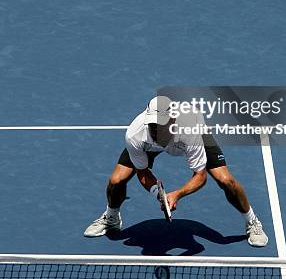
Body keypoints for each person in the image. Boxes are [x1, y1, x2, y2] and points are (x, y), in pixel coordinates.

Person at [84, 96, 268, 247]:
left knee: (226, 180)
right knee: (116, 180)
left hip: (188, 139)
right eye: (152, 124)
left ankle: (252, 221)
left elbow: (200, 176)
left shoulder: (190, 128)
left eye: (160, 125)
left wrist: (177, 195)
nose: (155, 129)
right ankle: (111, 217)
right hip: (150, 148)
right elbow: (142, 172)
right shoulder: (136, 134)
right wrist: (158, 193)